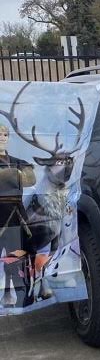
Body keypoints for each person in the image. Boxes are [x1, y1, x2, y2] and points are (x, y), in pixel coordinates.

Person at [0, 124, 36, 308]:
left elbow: (31, 178)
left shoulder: (16, 160)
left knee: (15, 260)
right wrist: (14, 173)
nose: (2, 137)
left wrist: (10, 174)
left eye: (4, 134)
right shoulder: (17, 165)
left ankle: (20, 298)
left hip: (15, 217)